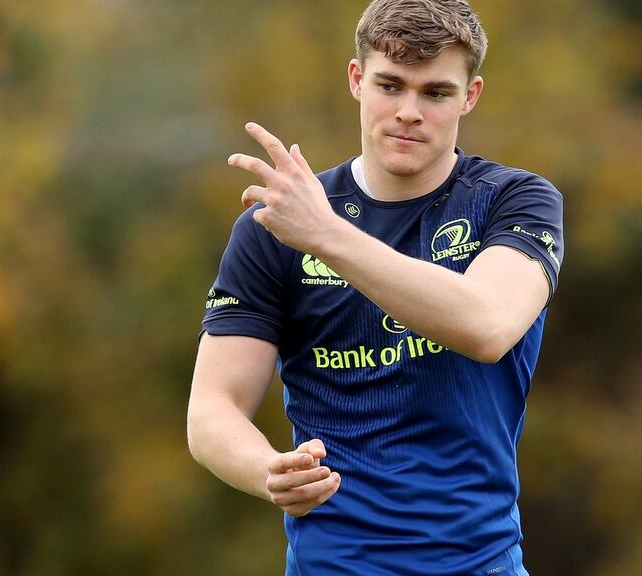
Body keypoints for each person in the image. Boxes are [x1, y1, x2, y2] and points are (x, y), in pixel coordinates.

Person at [186, 0, 563, 574]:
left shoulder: (516, 201)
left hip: (481, 562)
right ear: (357, 81)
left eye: (435, 92)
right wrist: (266, 469)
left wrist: (327, 235)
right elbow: (213, 408)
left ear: (471, 95)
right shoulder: (276, 227)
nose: (409, 111)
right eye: (391, 85)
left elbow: (487, 325)